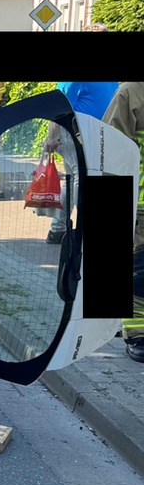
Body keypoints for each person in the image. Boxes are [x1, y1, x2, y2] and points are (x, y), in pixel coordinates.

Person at [41, 76, 119, 243]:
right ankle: (79, 227)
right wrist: (52, 137)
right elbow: (57, 107)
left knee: (72, 179)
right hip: (74, 133)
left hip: (94, 134)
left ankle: (57, 229)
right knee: (79, 177)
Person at [101, 80, 144, 362]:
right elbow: (111, 148)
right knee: (139, 269)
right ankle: (137, 334)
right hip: (140, 204)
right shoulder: (131, 93)